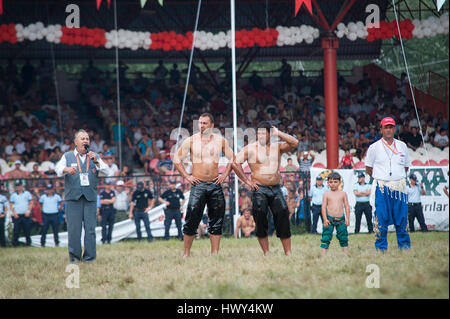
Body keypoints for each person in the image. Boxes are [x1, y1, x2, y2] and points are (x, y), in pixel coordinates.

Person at [173, 113, 252, 257]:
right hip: (198, 184)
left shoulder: (220, 141)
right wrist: (187, 176)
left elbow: (233, 159)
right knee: (191, 219)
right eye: (200, 123)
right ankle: (186, 254)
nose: (201, 126)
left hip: (215, 184)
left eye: (205, 123)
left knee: (216, 220)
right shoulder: (191, 140)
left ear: (212, 125)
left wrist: (225, 175)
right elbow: (176, 159)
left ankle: (214, 253)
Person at [233, 122, 299, 255]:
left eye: (264, 133)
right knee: (261, 218)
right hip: (259, 189)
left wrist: (279, 133)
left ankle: (288, 252)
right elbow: (235, 163)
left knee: (283, 216)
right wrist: (246, 181)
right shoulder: (251, 148)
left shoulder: (278, 147)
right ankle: (266, 253)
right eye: (259, 133)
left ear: (270, 134)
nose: (261, 135)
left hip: (276, 188)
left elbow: (294, 143)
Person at [55, 129, 110, 263]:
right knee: (74, 230)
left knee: (90, 229)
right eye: (82, 138)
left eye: (87, 139)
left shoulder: (94, 156)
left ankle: (90, 258)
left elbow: (107, 171)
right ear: (75, 142)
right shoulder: (67, 156)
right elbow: (57, 169)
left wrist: (96, 161)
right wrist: (66, 169)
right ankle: (75, 258)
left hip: (90, 198)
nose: (85, 141)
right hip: (73, 198)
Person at [365, 117, 411, 251]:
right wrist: (382, 178)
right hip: (382, 187)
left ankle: (404, 247)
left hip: (399, 187)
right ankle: (381, 248)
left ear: (395, 128)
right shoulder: (374, 147)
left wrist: (396, 178)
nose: (389, 130)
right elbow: (368, 169)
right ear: (381, 129)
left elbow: (406, 167)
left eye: (391, 127)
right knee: (381, 217)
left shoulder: (402, 146)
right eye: (386, 127)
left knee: (402, 218)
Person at [320, 172, 350, 253]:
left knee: (343, 237)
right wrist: (325, 219)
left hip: (341, 219)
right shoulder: (326, 194)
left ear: (340, 182)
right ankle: (323, 255)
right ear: (328, 183)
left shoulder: (343, 194)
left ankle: (345, 254)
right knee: (326, 237)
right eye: (331, 182)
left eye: (335, 182)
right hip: (329, 219)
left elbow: (347, 206)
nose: (333, 184)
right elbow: (323, 207)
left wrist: (347, 218)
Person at [9, 180, 33, 246]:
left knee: (27, 231)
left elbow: (31, 203)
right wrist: (14, 213)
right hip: (17, 215)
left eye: (19, 186)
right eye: (17, 186)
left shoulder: (27, 193)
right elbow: (11, 205)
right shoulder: (13, 195)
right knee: (16, 231)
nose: (18, 187)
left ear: (22, 186)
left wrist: (28, 211)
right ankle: (15, 245)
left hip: (25, 215)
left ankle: (28, 244)